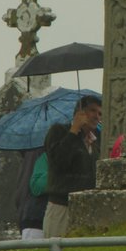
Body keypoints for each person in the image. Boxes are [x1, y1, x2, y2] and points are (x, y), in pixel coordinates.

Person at [43, 95, 102, 238]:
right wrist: (74, 130)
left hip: (87, 208)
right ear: (79, 112)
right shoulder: (58, 131)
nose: (97, 116)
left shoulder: (97, 140)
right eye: (92, 111)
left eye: (100, 113)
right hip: (62, 207)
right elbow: (58, 162)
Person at [17, 148, 48, 240]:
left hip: (31, 212)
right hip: (37, 216)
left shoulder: (33, 149)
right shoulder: (44, 150)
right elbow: (37, 186)